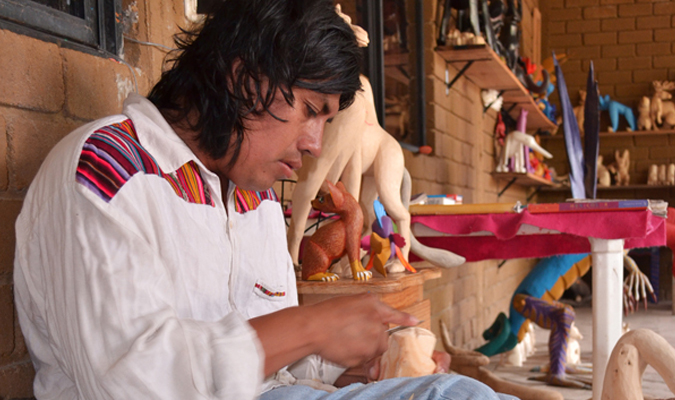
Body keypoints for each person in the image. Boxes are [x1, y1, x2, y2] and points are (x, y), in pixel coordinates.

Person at [13, 0, 517, 399]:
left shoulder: (254, 200)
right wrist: (309, 326)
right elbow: (131, 384)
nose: (316, 144)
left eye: (328, 122)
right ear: (243, 77)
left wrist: (358, 369)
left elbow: (275, 366)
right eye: (309, 111)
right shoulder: (110, 169)